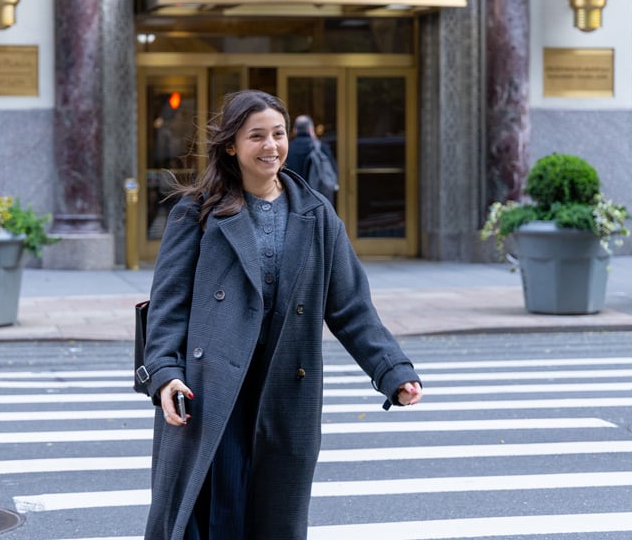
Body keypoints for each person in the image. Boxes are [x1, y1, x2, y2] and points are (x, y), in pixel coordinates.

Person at [138, 90, 423, 540]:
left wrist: (392, 370)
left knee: (276, 515)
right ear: (231, 145)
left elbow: (351, 307)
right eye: (257, 136)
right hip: (214, 386)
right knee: (221, 508)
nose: (271, 146)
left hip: (286, 382)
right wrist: (164, 374)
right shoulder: (196, 212)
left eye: (278, 133)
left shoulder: (316, 214)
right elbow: (168, 307)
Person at [284, 114, 338, 204]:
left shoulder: (287, 148)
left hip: (293, 198)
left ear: (295, 130)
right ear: (311, 130)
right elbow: (333, 171)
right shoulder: (321, 148)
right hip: (318, 198)